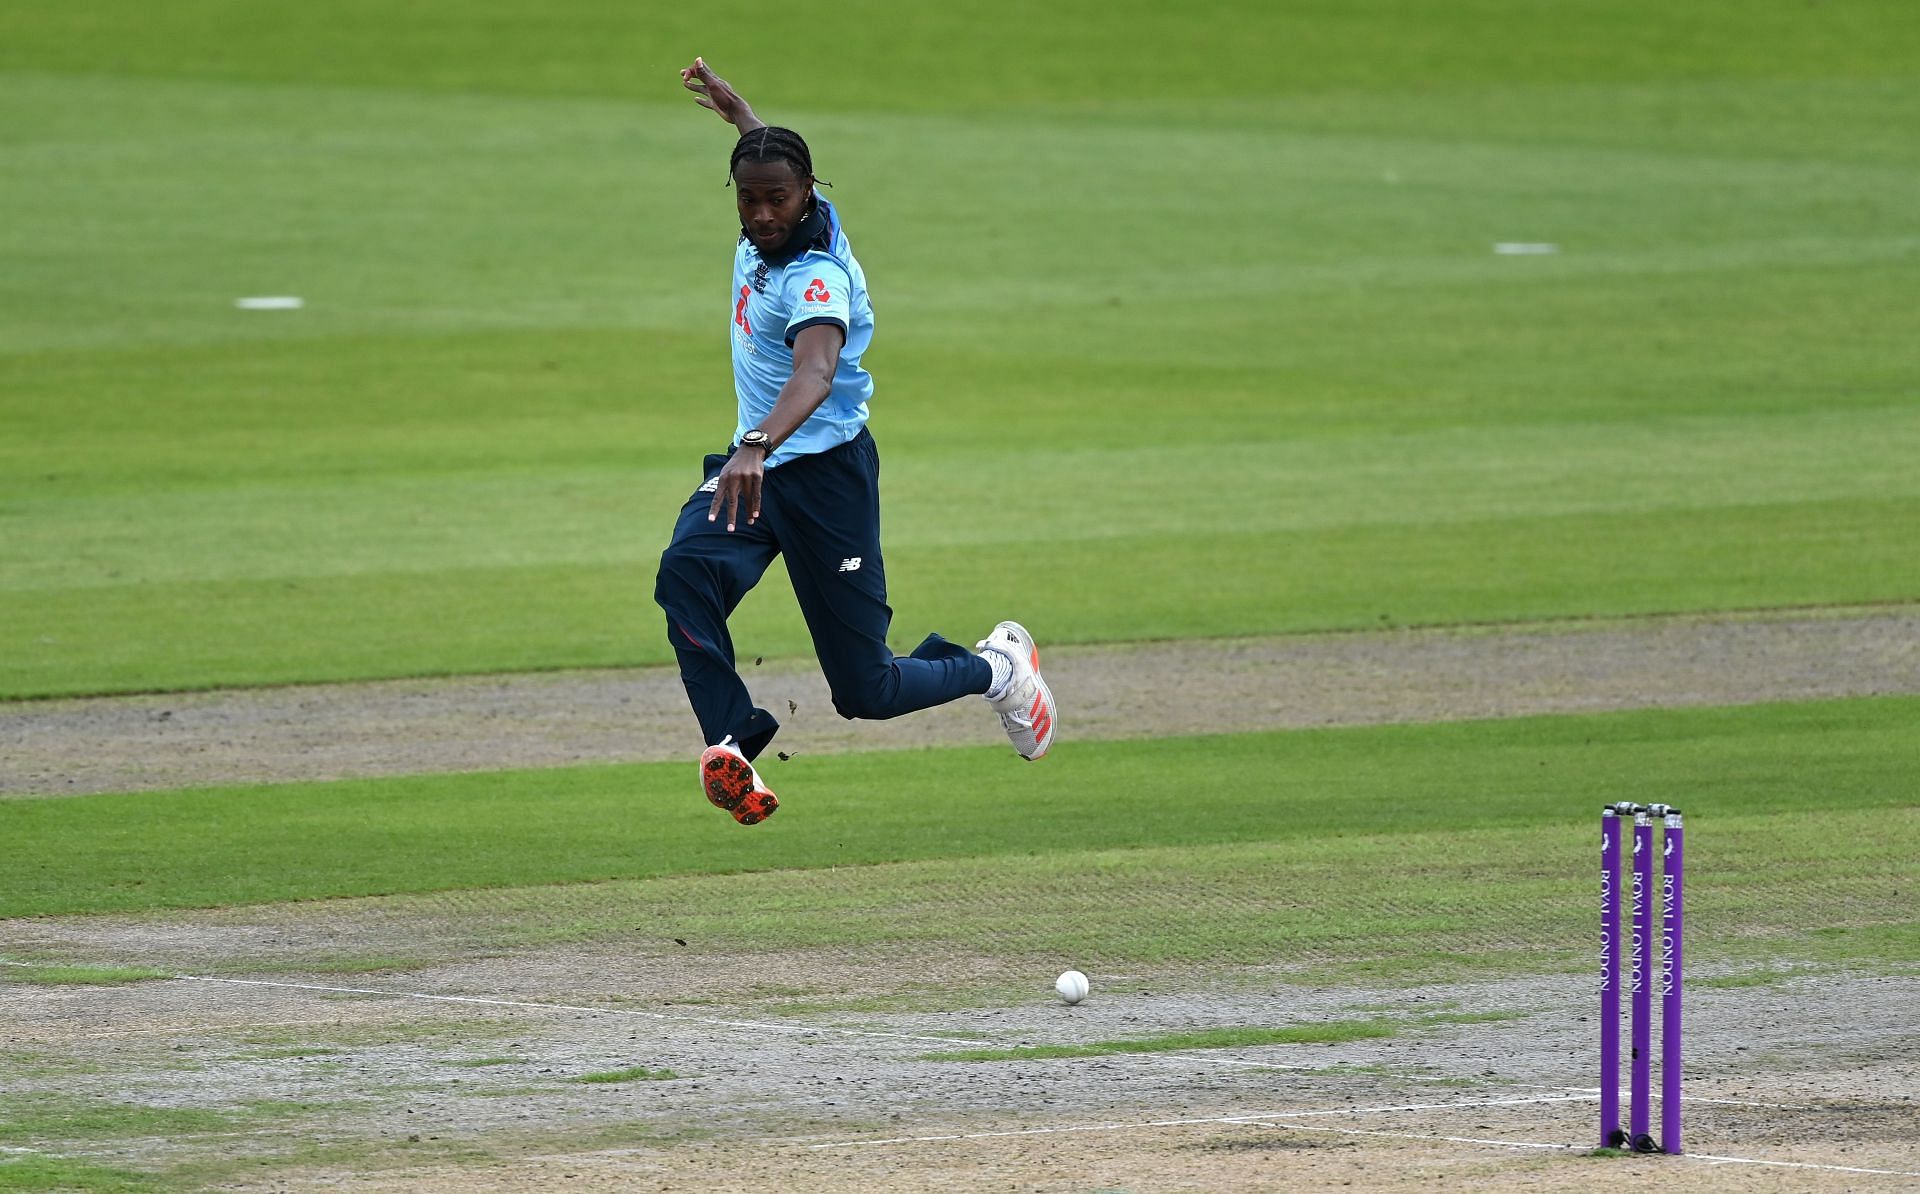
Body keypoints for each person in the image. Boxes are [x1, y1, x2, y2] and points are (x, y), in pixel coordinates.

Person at [656, 58, 1055, 826]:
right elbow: (769, 155)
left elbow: (815, 370)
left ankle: (997, 668)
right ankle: (734, 737)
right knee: (685, 574)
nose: (764, 213)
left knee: (864, 692)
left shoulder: (814, 278)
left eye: (778, 198)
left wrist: (755, 443)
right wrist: (743, 117)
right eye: (749, 197)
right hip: (760, 471)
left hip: (820, 475)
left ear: (808, 194)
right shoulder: (784, 205)